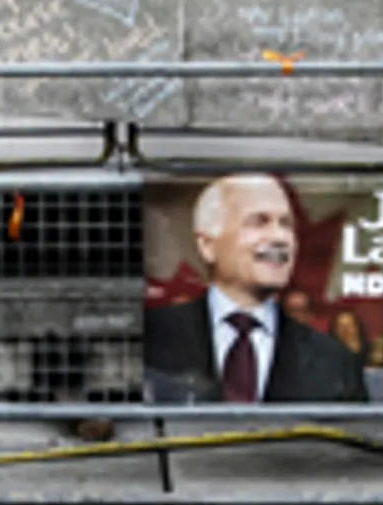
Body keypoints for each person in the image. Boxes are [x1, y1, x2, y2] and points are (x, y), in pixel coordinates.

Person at [142, 173, 369, 405]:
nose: (280, 237)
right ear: (207, 245)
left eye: (286, 224)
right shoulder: (146, 340)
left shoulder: (335, 362)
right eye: (259, 222)